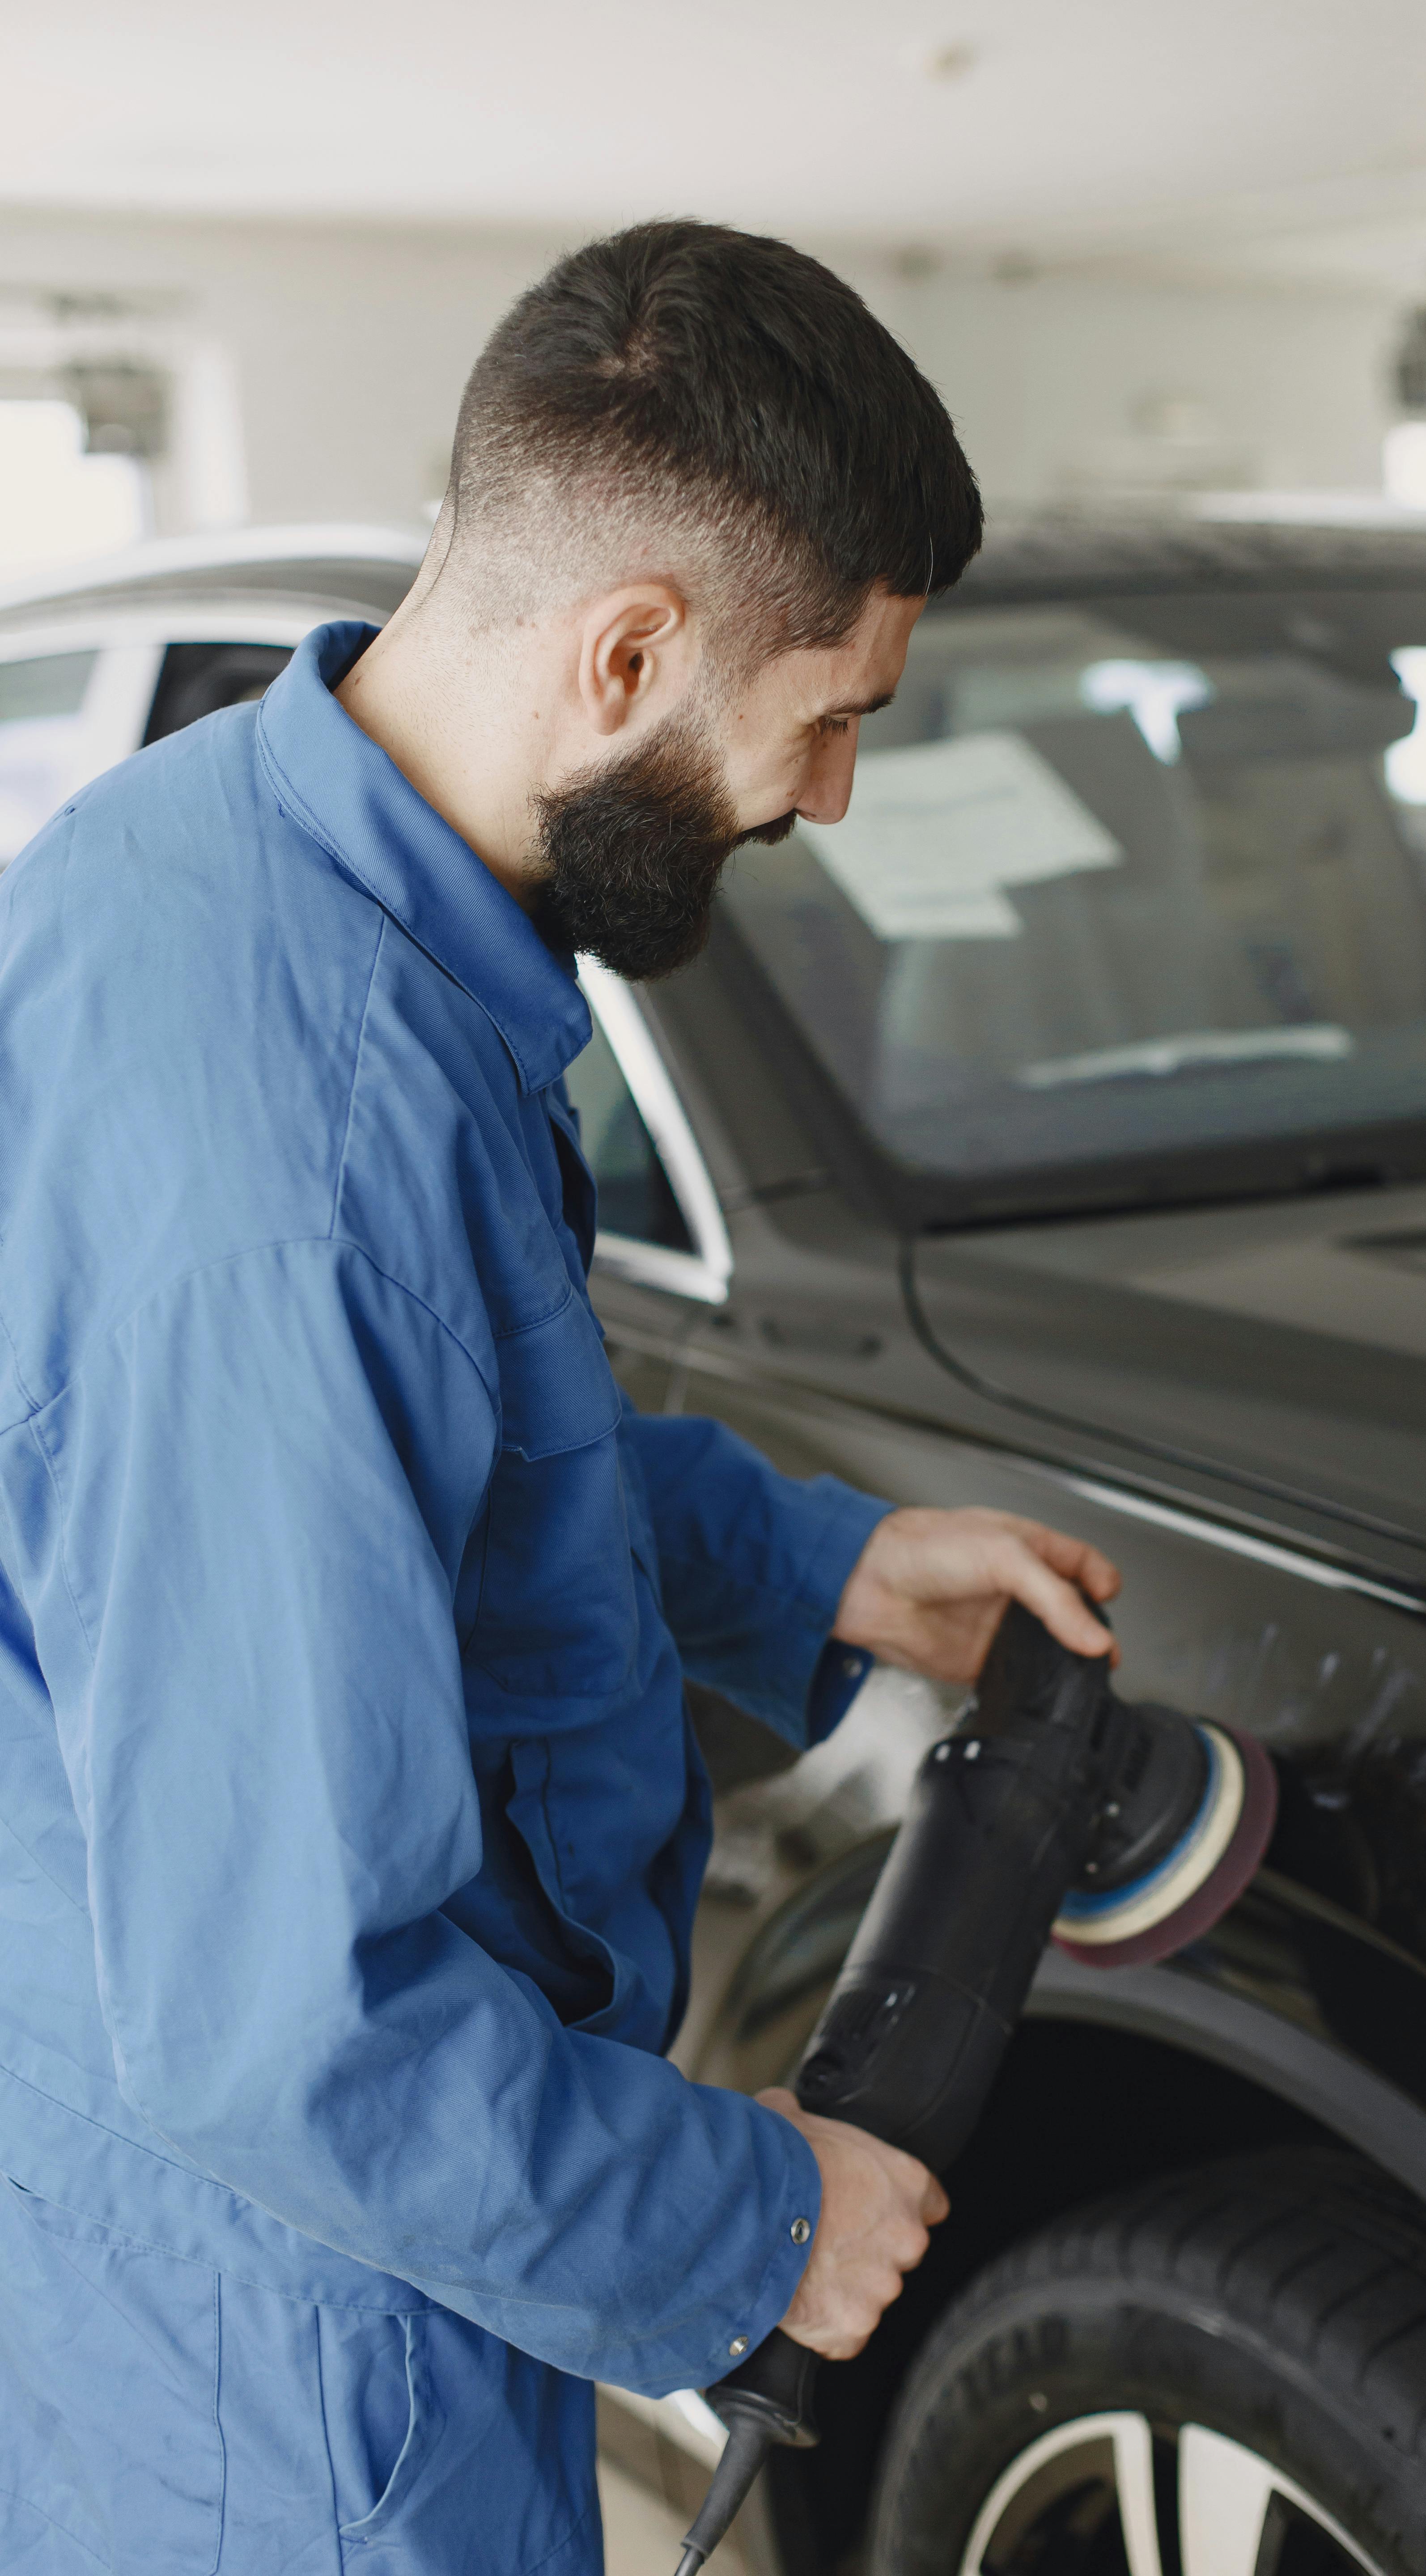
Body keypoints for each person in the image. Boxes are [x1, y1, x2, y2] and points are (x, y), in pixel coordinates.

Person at [0, 220, 1119, 2572]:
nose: (827, 799)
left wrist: (820, 1561)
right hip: (291, 2345)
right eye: (827, 714)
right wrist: (745, 2216)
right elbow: (284, 2025)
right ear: (626, 652)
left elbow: (426, 1456)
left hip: (263, 2196)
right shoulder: (283, 1155)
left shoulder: (253, 879)